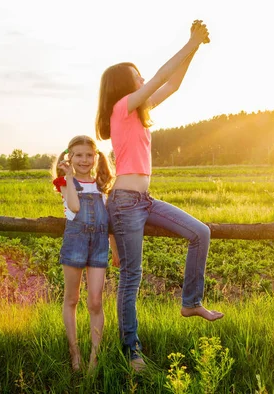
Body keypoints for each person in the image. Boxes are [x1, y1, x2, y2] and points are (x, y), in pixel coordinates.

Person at [95, 20, 223, 371]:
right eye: (136, 76)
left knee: (201, 232)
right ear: (124, 85)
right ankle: (131, 350)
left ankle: (190, 302)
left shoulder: (139, 112)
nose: (142, 79)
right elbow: (161, 75)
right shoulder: (121, 108)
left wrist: (195, 49)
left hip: (145, 201)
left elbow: (174, 83)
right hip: (123, 204)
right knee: (131, 276)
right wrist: (190, 40)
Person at [51, 135, 118, 372]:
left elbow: (108, 220)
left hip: (99, 244)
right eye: (79, 155)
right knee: (72, 299)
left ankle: (94, 357)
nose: (84, 160)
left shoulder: (102, 184)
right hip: (75, 243)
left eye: (89, 155)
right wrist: (68, 176)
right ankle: (74, 352)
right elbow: (75, 207)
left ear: (96, 157)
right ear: (70, 157)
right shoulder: (64, 182)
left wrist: (115, 249)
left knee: (96, 301)